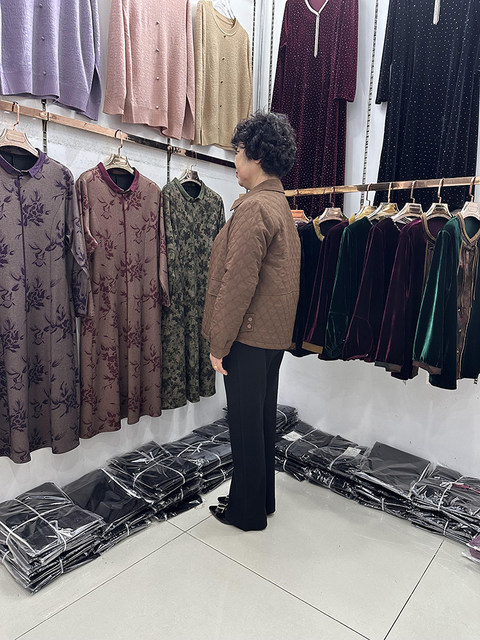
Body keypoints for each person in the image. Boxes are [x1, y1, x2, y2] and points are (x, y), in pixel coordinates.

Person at [201, 111, 301, 531]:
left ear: (256, 155)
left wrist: (218, 343)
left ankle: (246, 513)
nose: (235, 160)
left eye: (238, 151)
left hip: (248, 335)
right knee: (259, 423)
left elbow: (237, 282)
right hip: (271, 337)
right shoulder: (278, 204)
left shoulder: (255, 208)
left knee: (245, 426)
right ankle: (261, 500)